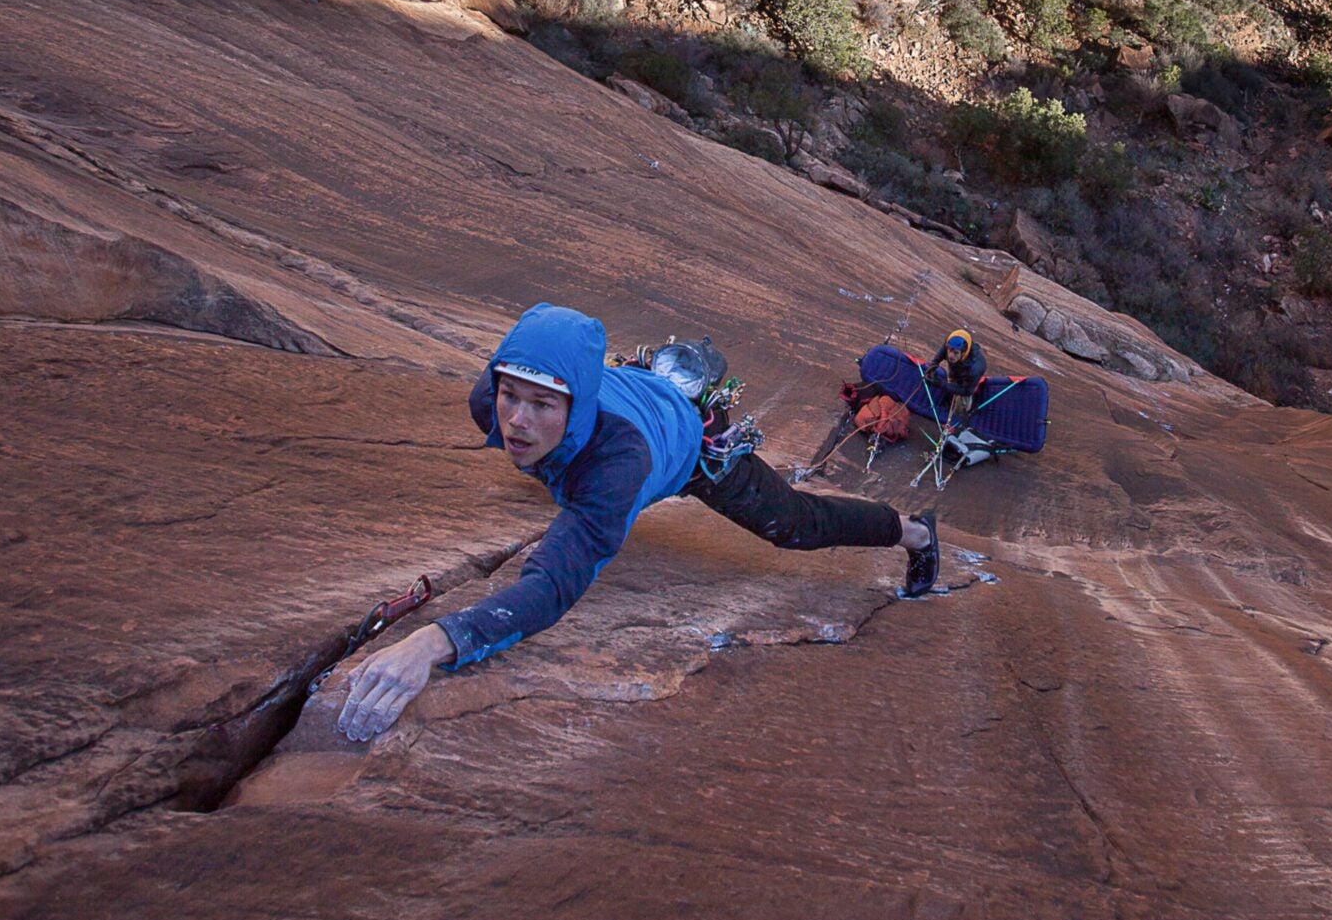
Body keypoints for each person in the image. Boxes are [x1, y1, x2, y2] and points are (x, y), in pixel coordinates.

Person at [335, 303, 941, 741]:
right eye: (511, 395)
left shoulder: (616, 466)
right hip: (637, 390)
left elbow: (552, 586)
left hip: (690, 447)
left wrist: (435, 641)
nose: (516, 421)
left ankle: (914, 531)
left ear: (574, 406)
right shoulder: (488, 401)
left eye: (542, 405)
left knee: (797, 524)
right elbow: (526, 402)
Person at [922, 329, 988, 427]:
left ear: (963, 353)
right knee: (951, 386)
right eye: (950, 350)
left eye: (956, 353)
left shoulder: (975, 368)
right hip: (955, 369)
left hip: (967, 382)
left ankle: (956, 421)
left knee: (961, 403)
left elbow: (966, 391)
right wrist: (933, 366)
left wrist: (940, 383)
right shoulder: (950, 344)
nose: (950, 356)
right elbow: (942, 352)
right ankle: (948, 402)